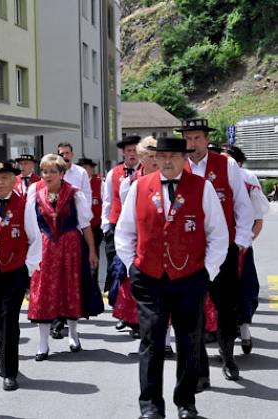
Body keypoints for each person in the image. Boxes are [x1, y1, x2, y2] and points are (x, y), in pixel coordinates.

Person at [115, 136, 228, 419]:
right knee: (151, 341)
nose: (167, 161)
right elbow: (124, 232)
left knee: (189, 341)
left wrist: (206, 273)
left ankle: (186, 402)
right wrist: (133, 267)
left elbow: (218, 235)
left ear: (184, 159)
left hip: (190, 278)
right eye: (162, 156)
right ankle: (151, 406)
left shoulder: (203, 188)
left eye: (174, 157)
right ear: (155, 158)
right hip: (149, 277)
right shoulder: (139, 187)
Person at [180, 118, 254, 386]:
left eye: (197, 138)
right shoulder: (179, 165)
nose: (192, 144)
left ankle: (228, 356)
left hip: (224, 248)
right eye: (188, 139)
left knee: (226, 306)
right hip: (189, 251)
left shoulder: (226, 163)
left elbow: (243, 206)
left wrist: (242, 240)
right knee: (192, 307)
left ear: (206, 139)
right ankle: (198, 367)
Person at [0, 160, 42, 391]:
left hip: (14, 272)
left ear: (14, 180)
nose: (0, 182)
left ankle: (10, 371)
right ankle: (4, 358)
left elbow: (35, 238)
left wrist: (28, 268)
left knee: (9, 319)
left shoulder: (24, 205)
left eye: (5, 178)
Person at [27, 154, 99, 358]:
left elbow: (85, 225)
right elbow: (29, 224)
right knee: (43, 293)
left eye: (52, 171)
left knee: (70, 288)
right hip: (44, 248)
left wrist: (92, 251)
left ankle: (73, 334)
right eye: (44, 171)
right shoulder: (35, 192)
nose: (47, 175)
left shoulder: (75, 194)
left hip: (70, 246)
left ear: (61, 173)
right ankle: (43, 343)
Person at [221, 145, 270, 354]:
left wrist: (244, 243)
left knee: (243, 291)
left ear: (237, 163)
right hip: (214, 248)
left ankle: (245, 332)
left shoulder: (247, 179)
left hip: (239, 247)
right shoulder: (210, 179)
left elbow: (258, 220)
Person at [112, 137, 158, 337]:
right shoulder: (130, 183)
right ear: (141, 158)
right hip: (139, 236)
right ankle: (136, 321)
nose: (155, 160)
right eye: (150, 156)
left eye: (157, 155)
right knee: (129, 277)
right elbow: (126, 214)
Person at [101, 136, 141, 295]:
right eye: (129, 151)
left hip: (137, 226)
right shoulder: (113, 173)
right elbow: (107, 200)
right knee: (115, 265)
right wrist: (106, 226)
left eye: (135, 151)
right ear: (123, 153)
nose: (132, 154)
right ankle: (117, 299)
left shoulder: (144, 172)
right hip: (116, 225)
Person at [77, 157, 104, 289]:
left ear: (92, 169)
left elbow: (106, 204)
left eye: (86, 167)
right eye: (82, 167)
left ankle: (94, 284)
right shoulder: (76, 184)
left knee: (94, 256)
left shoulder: (100, 184)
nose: (84, 170)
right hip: (78, 228)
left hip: (94, 227)